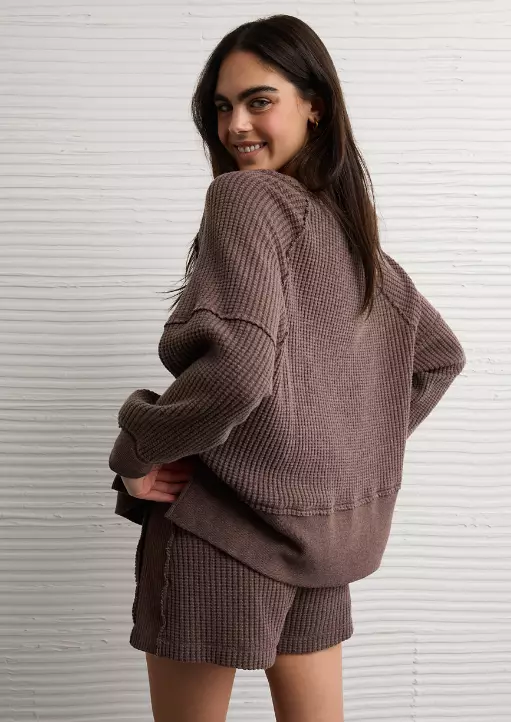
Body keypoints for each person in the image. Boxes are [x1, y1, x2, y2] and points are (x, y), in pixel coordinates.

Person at [107, 14, 466, 722]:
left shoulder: (243, 198)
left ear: (315, 105)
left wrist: (137, 450)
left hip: (217, 531)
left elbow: (237, 372)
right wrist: (327, 455)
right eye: (221, 106)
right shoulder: (350, 235)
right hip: (320, 544)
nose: (235, 125)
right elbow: (437, 360)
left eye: (259, 100)